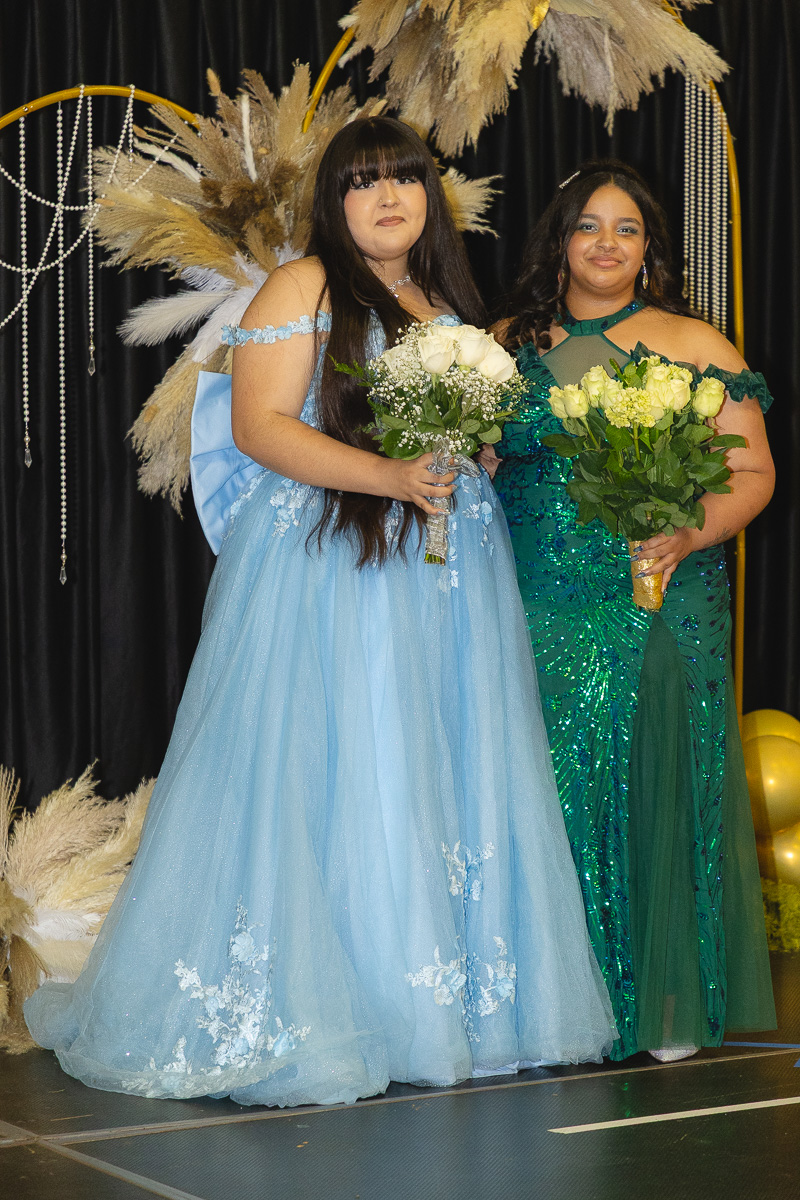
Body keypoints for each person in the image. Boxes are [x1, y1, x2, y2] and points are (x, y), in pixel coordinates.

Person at [24, 120, 616, 1106]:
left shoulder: (446, 301)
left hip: (447, 563)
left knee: (433, 763)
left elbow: (469, 432)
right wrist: (387, 473)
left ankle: (439, 1010)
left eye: (404, 181)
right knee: (342, 767)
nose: (387, 198)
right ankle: (337, 1009)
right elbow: (258, 427)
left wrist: (464, 455)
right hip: (334, 559)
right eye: (362, 183)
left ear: (430, 196)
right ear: (333, 204)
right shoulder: (302, 286)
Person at [486, 159, 776, 1061]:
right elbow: (480, 466)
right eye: (588, 227)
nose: (607, 244)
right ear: (558, 242)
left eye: (627, 229)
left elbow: (754, 474)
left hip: (661, 586)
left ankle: (661, 1000)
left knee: (652, 767)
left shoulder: (697, 344)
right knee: (544, 777)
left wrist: (690, 534)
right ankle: (551, 999)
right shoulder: (502, 342)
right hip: (531, 593)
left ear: (649, 248)